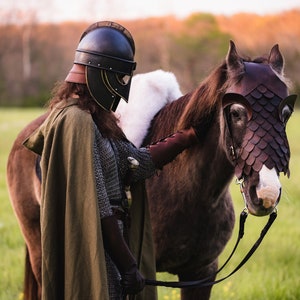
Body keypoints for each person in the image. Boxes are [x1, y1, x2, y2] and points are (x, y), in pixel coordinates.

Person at [24, 21, 201, 300]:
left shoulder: (94, 119)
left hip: (111, 246)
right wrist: (128, 266)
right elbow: (98, 203)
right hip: (99, 249)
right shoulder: (76, 121)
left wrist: (185, 137)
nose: (122, 87)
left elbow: (135, 162)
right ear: (99, 73)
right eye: (119, 78)